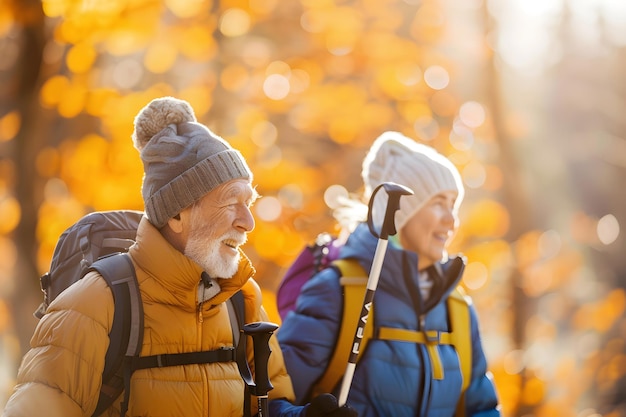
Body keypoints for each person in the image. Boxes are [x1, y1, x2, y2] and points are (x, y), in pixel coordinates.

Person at [2, 97, 356, 417]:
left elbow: (267, 403)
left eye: (248, 203)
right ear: (177, 214)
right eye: (231, 201)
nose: (247, 222)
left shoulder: (242, 301)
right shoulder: (94, 306)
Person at [277, 131, 501, 416]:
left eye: (453, 205)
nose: (451, 220)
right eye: (438, 203)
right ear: (401, 213)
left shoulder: (457, 310)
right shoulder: (338, 291)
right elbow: (271, 399)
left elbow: (481, 408)